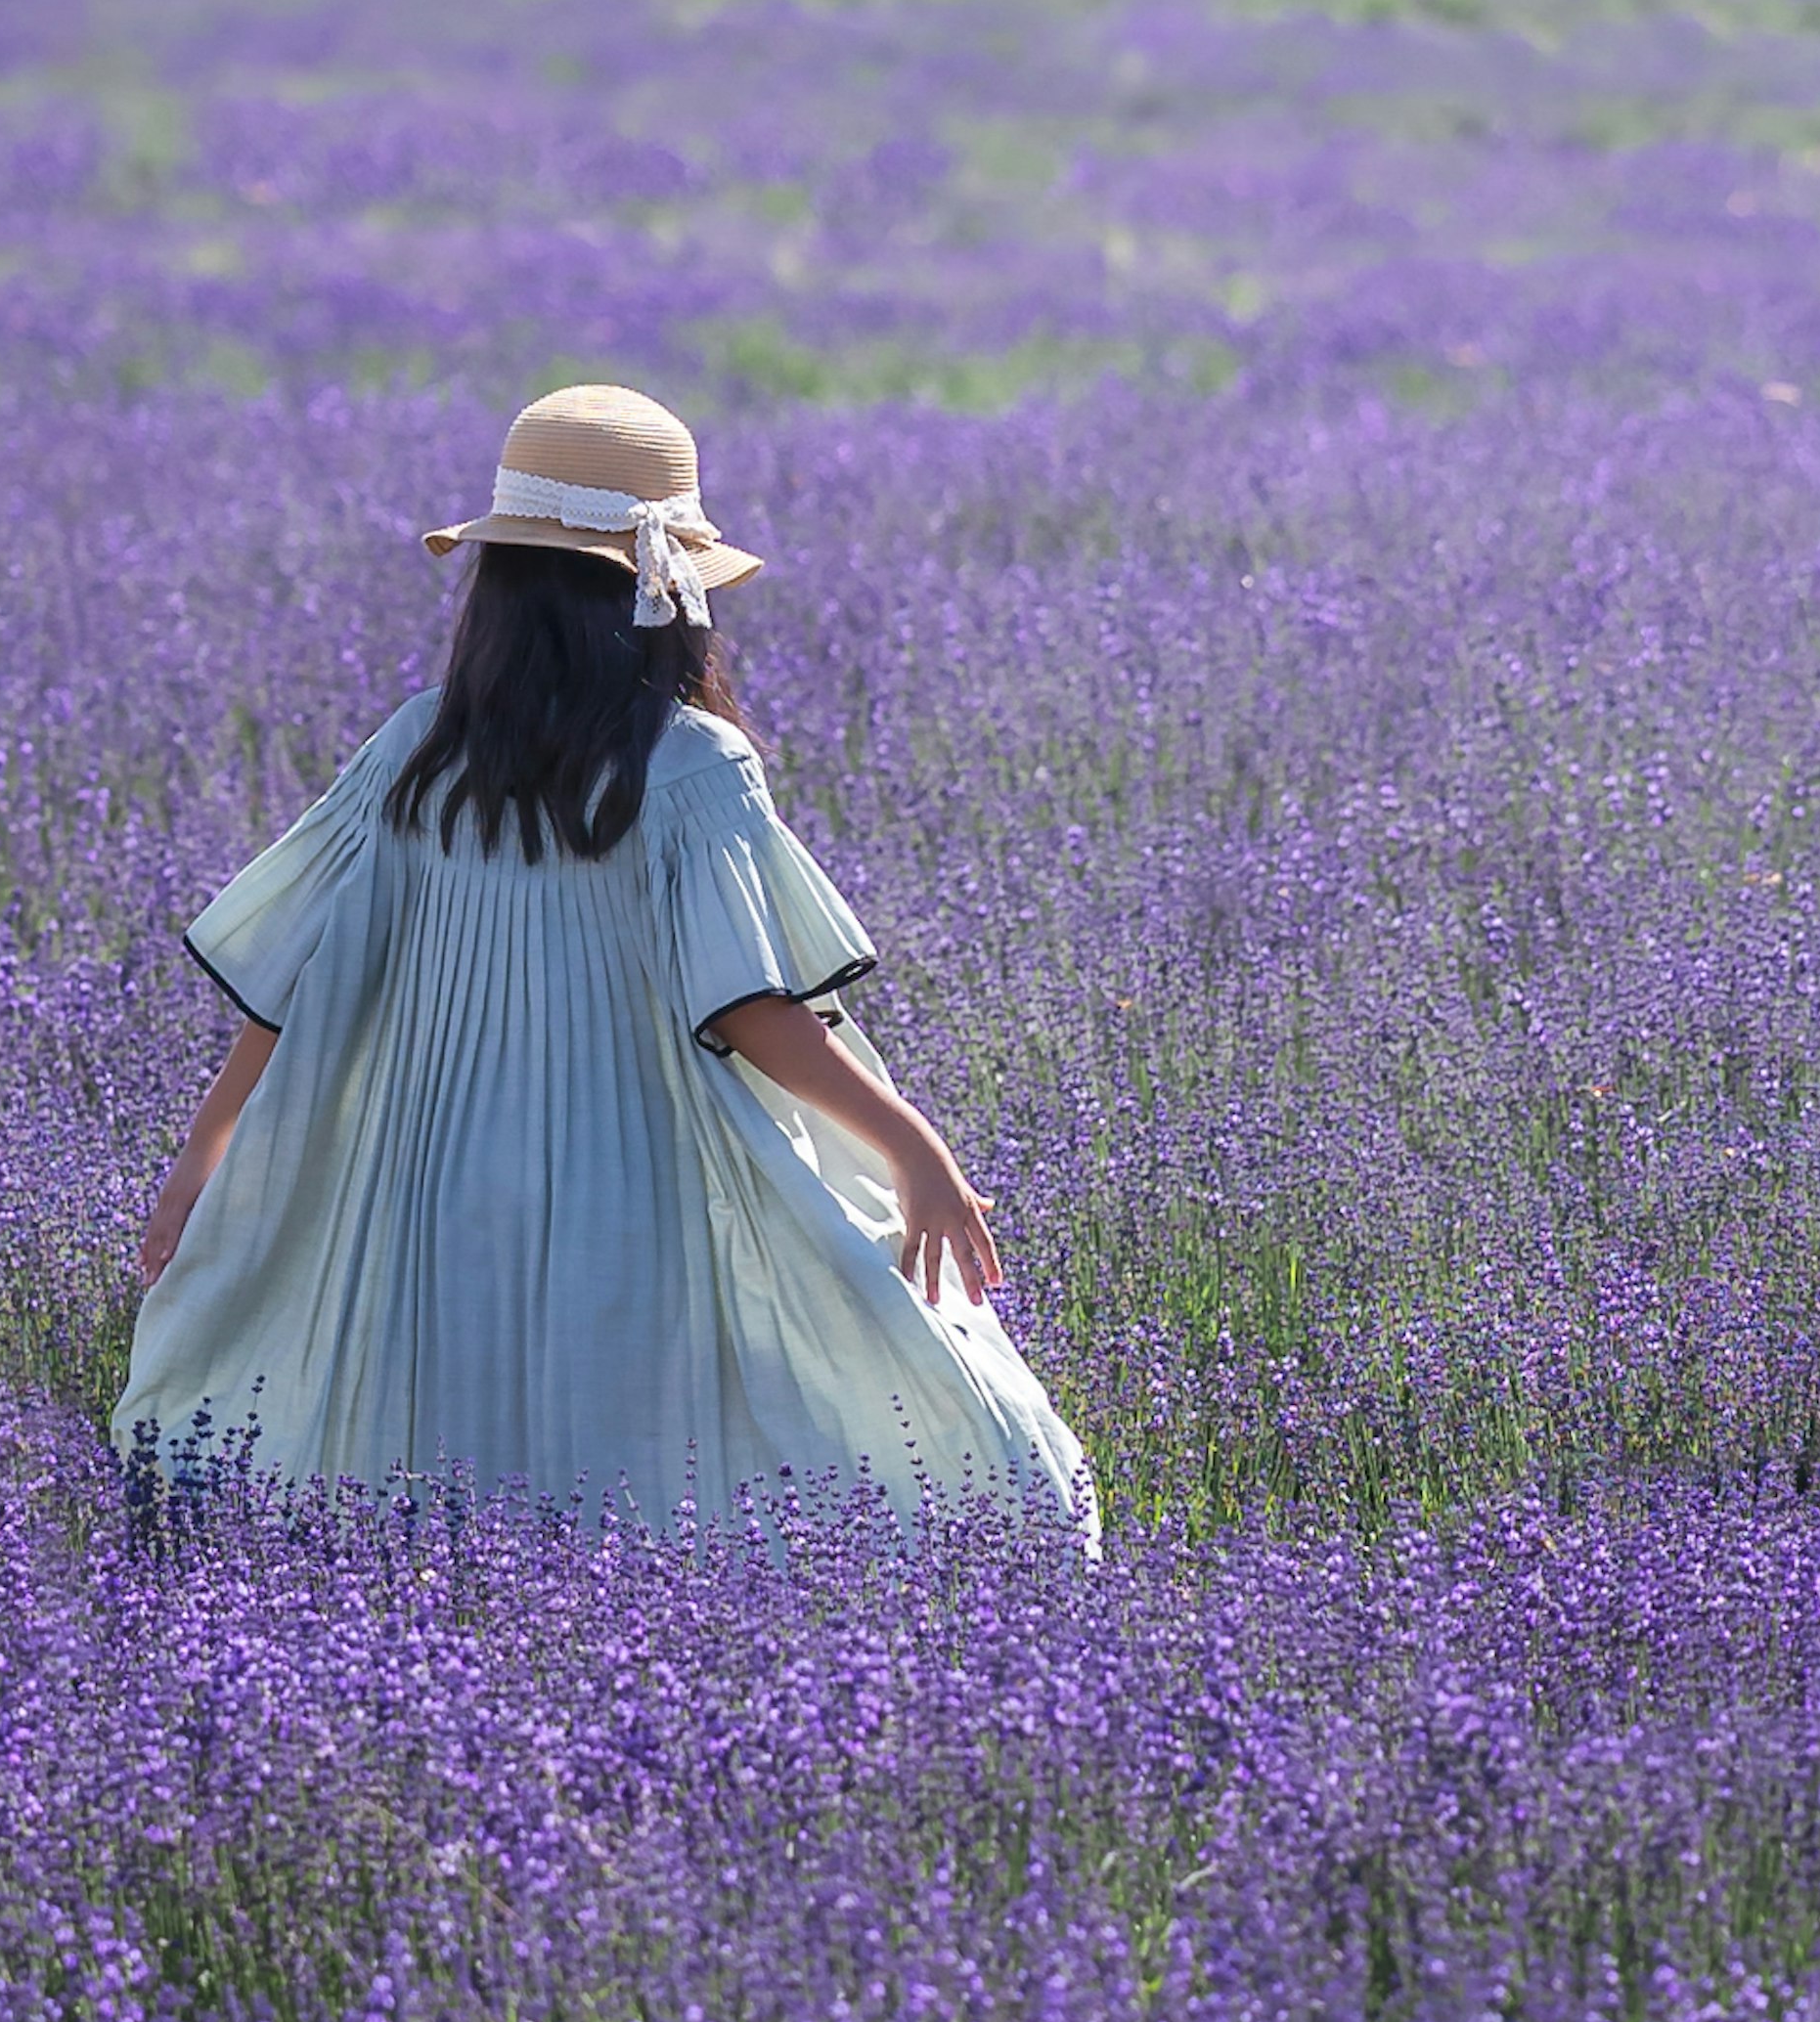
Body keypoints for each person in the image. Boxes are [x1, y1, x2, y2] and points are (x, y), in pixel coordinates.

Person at [113, 383, 1092, 1544]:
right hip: (635, 1169)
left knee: (458, 1453)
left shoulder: (417, 753)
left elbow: (297, 986)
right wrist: (915, 1149)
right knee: (650, 1460)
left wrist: (205, 1154)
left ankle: (463, 1635)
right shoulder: (689, 766)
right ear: (662, 591)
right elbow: (751, 1013)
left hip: (432, 1173)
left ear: (499, 587)